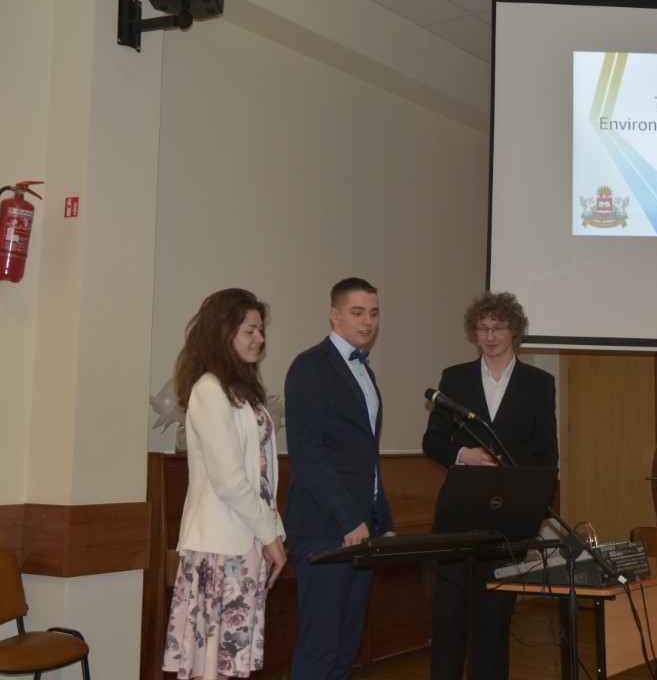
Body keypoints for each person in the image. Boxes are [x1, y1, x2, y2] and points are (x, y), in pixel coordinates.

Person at [422, 291, 559, 680]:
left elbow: (546, 456)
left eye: (498, 327)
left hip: (508, 524)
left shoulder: (539, 383)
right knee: (448, 625)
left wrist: (528, 509)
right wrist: (462, 455)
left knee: (493, 628)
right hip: (458, 518)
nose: (490, 336)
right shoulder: (454, 378)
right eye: (482, 329)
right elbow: (432, 441)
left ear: (514, 330)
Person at [163, 288, 287, 680]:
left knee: (231, 661)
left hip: (248, 535)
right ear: (223, 333)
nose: (260, 338)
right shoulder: (209, 390)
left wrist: (273, 530)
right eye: (250, 331)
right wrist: (269, 534)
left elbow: (261, 474)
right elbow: (230, 480)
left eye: (261, 330)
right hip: (222, 543)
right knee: (213, 663)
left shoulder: (240, 390)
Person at [283, 277, 395, 680]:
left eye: (374, 313)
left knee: (345, 649)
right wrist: (349, 519)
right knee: (321, 649)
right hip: (324, 528)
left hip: (362, 530)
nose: (368, 322)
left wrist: (383, 522)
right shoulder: (310, 366)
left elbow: (367, 459)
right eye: (357, 312)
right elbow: (307, 454)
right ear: (334, 315)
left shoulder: (366, 373)